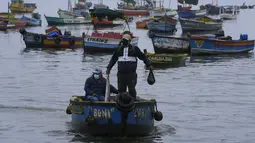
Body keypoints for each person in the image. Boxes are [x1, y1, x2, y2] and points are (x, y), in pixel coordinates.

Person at [106, 33, 152, 100]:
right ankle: (121, 104)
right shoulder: (119, 49)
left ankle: (132, 103)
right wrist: (109, 68)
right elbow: (113, 59)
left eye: (126, 40)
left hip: (131, 74)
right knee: (121, 90)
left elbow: (143, 57)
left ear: (130, 41)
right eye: (123, 40)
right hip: (121, 74)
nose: (124, 42)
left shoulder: (135, 49)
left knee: (132, 90)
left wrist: (149, 65)